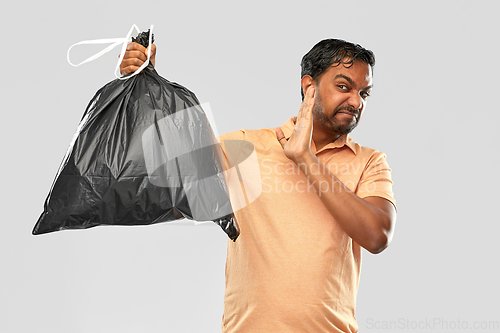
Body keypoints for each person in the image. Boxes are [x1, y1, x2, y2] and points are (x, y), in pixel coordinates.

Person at [120, 39, 397, 333]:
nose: (356, 102)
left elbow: (377, 235)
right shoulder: (246, 147)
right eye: (344, 87)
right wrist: (139, 89)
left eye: (364, 93)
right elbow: (160, 170)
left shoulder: (369, 161)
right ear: (309, 87)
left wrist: (304, 157)